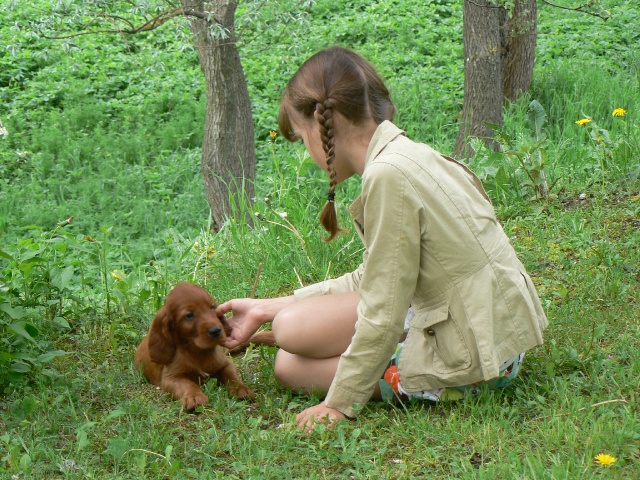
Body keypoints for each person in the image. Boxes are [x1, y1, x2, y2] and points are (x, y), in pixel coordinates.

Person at [217, 46, 548, 432]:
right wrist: (264, 309)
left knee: (290, 364)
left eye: (302, 137)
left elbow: (383, 310)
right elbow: (374, 278)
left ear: (325, 124)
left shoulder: (387, 177)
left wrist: (339, 403)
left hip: (477, 362)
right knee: (288, 329)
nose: (307, 152)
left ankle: (414, 371)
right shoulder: (407, 155)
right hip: (498, 338)